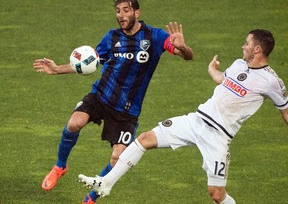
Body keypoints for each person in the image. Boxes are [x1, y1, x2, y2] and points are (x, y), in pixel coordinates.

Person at [78, 29, 288, 204]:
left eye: (247, 43)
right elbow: (224, 81)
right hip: (196, 120)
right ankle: (106, 183)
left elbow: (285, 112)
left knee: (216, 194)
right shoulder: (239, 64)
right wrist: (212, 71)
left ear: (258, 49)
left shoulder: (271, 82)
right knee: (144, 139)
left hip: (219, 136)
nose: (243, 46)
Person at [33, 0, 194, 204]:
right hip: (101, 96)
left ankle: (90, 198)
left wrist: (182, 47)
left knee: (118, 158)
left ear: (137, 12)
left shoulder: (154, 36)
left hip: (127, 111)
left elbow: (188, 56)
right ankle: (60, 166)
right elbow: (89, 62)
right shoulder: (112, 37)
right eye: (118, 11)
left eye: (126, 10)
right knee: (74, 123)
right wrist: (57, 70)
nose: (121, 15)